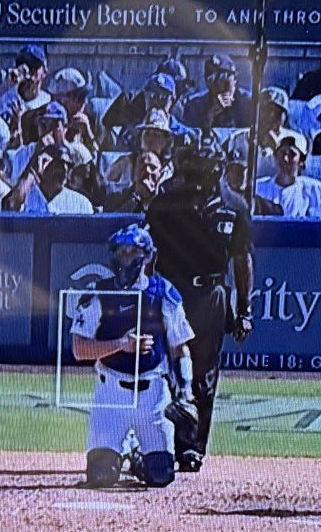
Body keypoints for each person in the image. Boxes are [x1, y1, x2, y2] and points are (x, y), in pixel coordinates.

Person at [146, 136, 253, 471]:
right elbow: (149, 254)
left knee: (204, 375)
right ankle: (160, 443)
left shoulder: (234, 205)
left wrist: (244, 310)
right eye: (194, 167)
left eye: (205, 168)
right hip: (171, 292)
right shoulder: (166, 202)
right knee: (166, 369)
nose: (198, 175)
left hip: (210, 294)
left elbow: (242, 259)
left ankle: (193, 447)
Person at [69, 224, 196, 491]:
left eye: (132, 252)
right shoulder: (99, 293)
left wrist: (185, 391)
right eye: (121, 252)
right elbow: (79, 349)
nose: (125, 258)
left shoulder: (163, 292)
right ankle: (119, 450)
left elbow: (180, 348)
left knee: (160, 474)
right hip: (111, 392)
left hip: (152, 392)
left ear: (147, 256)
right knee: (101, 476)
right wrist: (121, 345)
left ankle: (137, 454)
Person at [253, 130, 321, 217]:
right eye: (282, 153)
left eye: (292, 154)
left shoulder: (317, 191)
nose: (286, 159)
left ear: (301, 161)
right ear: (276, 157)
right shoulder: (257, 188)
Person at [11, 144, 94, 216]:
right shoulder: (25, 198)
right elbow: (11, 209)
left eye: (68, 165)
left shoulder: (81, 203)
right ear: (42, 166)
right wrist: (31, 174)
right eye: (58, 164)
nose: (64, 169)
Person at [182, 54, 251, 132]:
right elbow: (190, 134)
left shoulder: (248, 104)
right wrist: (207, 121)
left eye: (224, 78)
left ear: (235, 80)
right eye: (212, 79)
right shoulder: (195, 106)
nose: (218, 84)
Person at [105, 146, 168, 215]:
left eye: (152, 167)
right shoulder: (121, 195)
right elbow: (114, 216)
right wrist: (136, 197)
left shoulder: (165, 196)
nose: (147, 170)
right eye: (142, 165)